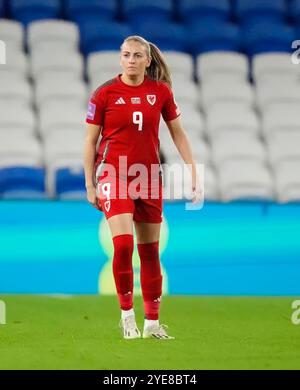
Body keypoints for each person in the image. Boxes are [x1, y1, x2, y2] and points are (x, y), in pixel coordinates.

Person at [84, 35, 201, 340]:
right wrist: (90, 183)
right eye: (126, 55)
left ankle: (152, 323)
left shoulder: (160, 91)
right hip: (114, 174)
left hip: (148, 177)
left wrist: (193, 172)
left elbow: (178, 133)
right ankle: (126, 316)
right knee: (123, 246)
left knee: (150, 253)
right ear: (120, 59)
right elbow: (89, 141)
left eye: (137, 55)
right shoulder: (105, 94)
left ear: (148, 60)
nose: (131, 60)